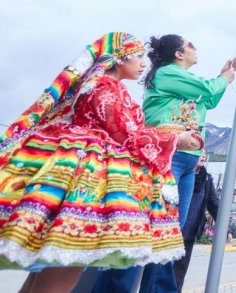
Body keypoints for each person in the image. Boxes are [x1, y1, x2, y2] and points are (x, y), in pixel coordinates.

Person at [0, 32, 200, 293]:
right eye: (138, 56)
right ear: (119, 58)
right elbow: (127, 135)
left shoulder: (99, 86)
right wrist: (177, 138)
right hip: (88, 182)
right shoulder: (105, 87)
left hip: (76, 169)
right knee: (65, 265)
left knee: (50, 273)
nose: (143, 63)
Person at [94, 34, 236, 293]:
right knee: (148, 226)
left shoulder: (185, 82)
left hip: (188, 163)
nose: (195, 48)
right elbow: (208, 89)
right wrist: (223, 79)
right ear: (178, 54)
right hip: (167, 156)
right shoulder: (166, 73)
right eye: (190, 45)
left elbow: (210, 99)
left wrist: (221, 77)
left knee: (170, 233)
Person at [173, 154, 220, 293]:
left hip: (189, 235)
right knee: (162, 274)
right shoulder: (177, 172)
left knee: (179, 275)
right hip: (170, 233)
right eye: (199, 151)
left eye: (205, 152)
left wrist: (226, 228)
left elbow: (214, 204)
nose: (203, 154)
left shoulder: (206, 179)